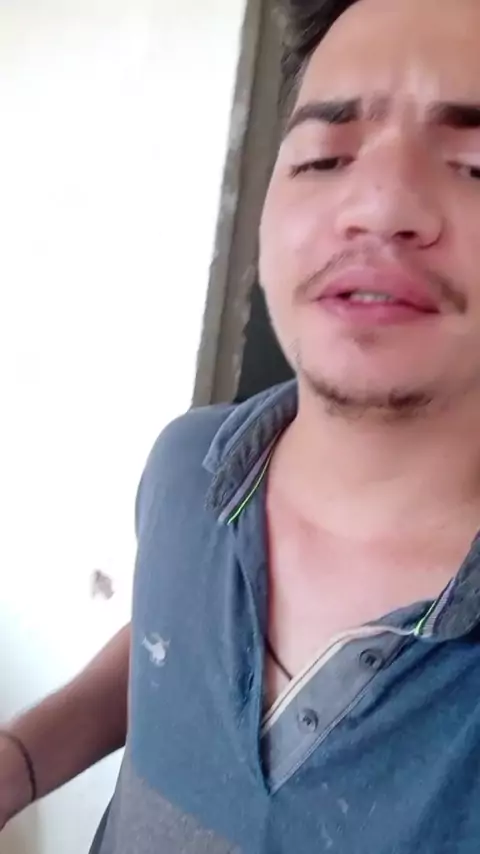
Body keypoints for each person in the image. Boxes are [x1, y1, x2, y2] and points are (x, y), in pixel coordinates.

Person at [5, 0, 480, 849]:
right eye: (325, 157)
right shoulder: (190, 465)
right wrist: (22, 761)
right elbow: (173, 641)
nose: (376, 204)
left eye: (475, 166)